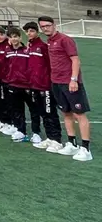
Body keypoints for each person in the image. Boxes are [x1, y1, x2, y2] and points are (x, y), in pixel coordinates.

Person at [38, 16, 91, 161]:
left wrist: (73, 80)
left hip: (70, 83)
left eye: (47, 25)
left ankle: (86, 149)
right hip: (56, 82)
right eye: (42, 27)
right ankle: (72, 144)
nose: (45, 28)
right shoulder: (49, 42)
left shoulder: (65, 40)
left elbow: (75, 59)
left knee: (79, 114)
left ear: (54, 25)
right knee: (66, 113)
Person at [24, 22, 64, 151]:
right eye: (27, 31)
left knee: (50, 112)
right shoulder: (29, 46)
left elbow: (51, 65)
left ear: (37, 32)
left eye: (31, 31)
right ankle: (49, 138)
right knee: (43, 113)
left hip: (45, 86)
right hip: (34, 85)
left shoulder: (43, 46)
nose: (29, 33)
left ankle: (57, 140)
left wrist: (50, 83)